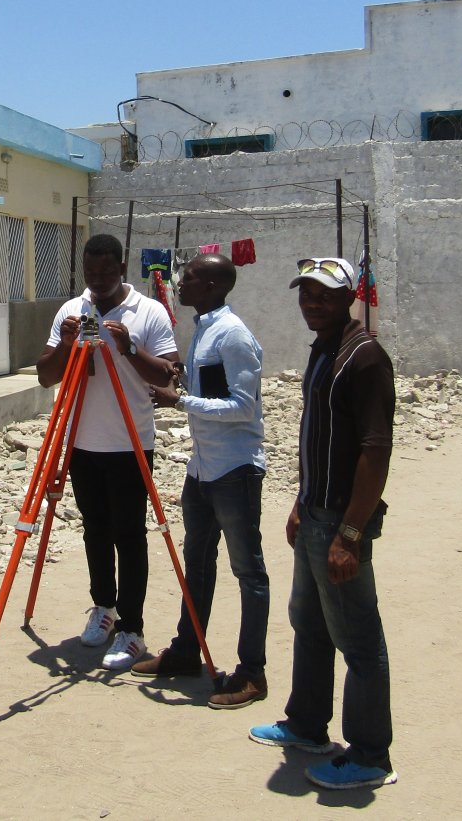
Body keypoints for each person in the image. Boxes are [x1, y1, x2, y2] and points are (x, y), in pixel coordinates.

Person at [250, 256, 397, 791]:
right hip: (315, 513)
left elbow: (374, 453)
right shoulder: (323, 349)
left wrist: (350, 535)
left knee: (358, 639)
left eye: (324, 295)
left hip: (340, 524)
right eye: (306, 294)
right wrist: (300, 500)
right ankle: (307, 724)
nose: (312, 303)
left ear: (348, 298)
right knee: (309, 625)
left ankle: (370, 755)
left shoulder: (365, 358)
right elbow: (320, 438)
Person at [36, 234, 178, 671]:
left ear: (121, 267)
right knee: (94, 531)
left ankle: (132, 630)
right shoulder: (72, 309)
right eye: (90, 272)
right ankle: (104, 608)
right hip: (81, 440)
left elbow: (170, 378)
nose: (97, 280)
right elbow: (46, 376)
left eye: (106, 272)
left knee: (130, 535)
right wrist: (65, 344)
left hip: (130, 441)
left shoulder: (149, 312)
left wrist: (129, 347)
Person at [135, 254, 271, 710]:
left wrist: (181, 401)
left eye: (188, 278)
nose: (179, 284)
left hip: (234, 469)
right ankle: (187, 651)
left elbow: (243, 407)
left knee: (248, 572)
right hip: (202, 469)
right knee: (197, 565)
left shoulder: (232, 334)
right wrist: (184, 380)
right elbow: (210, 389)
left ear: (212, 284)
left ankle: (252, 673)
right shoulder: (203, 327)